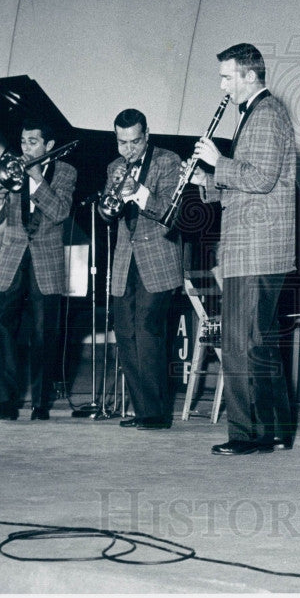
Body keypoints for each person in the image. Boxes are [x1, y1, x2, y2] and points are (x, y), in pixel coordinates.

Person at [189, 43, 296, 455]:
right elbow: (248, 180)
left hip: (257, 247)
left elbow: (264, 178)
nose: (222, 85)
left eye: (226, 76)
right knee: (259, 343)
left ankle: (248, 435)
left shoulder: (266, 114)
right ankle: (278, 430)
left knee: (240, 343)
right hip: (254, 247)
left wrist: (218, 160)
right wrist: (205, 180)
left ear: (250, 75)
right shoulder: (257, 113)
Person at [0, 117, 76, 421]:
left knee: (42, 333)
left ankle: (41, 403)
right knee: (3, 328)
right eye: (23, 142)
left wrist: (37, 178)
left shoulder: (64, 172)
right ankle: (6, 403)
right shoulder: (11, 171)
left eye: (33, 142)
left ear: (49, 145)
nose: (26, 148)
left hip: (45, 260)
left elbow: (60, 211)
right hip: (12, 256)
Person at [102, 108, 183, 430]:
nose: (128, 150)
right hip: (125, 261)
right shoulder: (114, 167)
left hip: (158, 259)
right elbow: (109, 216)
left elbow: (171, 213)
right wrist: (108, 207)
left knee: (148, 332)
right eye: (122, 143)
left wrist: (137, 192)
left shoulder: (168, 161)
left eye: (134, 142)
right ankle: (143, 409)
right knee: (125, 334)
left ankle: (156, 413)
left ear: (146, 136)